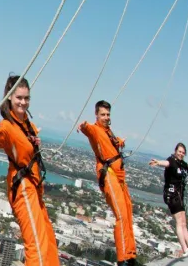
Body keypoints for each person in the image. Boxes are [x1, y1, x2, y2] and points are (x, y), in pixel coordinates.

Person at [0, 75, 58, 266]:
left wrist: (34, 140)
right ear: (9, 97)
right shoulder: (8, 125)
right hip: (23, 186)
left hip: (34, 186)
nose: (23, 102)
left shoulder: (27, 124)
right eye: (19, 97)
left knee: (48, 239)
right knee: (36, 242)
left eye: (26, 98)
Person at [78, 100, 139, 266]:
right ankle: (123, 259)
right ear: (96, 115)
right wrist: (83, 126)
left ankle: (130, 254)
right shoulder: (96, 130)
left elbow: (111, 142)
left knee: (127, 212)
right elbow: (89, 130)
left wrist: (120, 142)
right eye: (103, 114)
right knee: (121, 214)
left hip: (119, 175)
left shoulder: (108, 131)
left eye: (108, 114)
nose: (106, 117)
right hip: (109, 173)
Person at [148, 143, 188, 257]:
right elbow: (166, 163)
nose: (181, 154)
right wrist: (158, 162)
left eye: (183, 152)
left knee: (183, 222)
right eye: (179, 151)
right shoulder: (171, 161)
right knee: (179, 222)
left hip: (179, 195)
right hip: (171, 195)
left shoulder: (181, 163)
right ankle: (185, 249)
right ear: (175, 151)